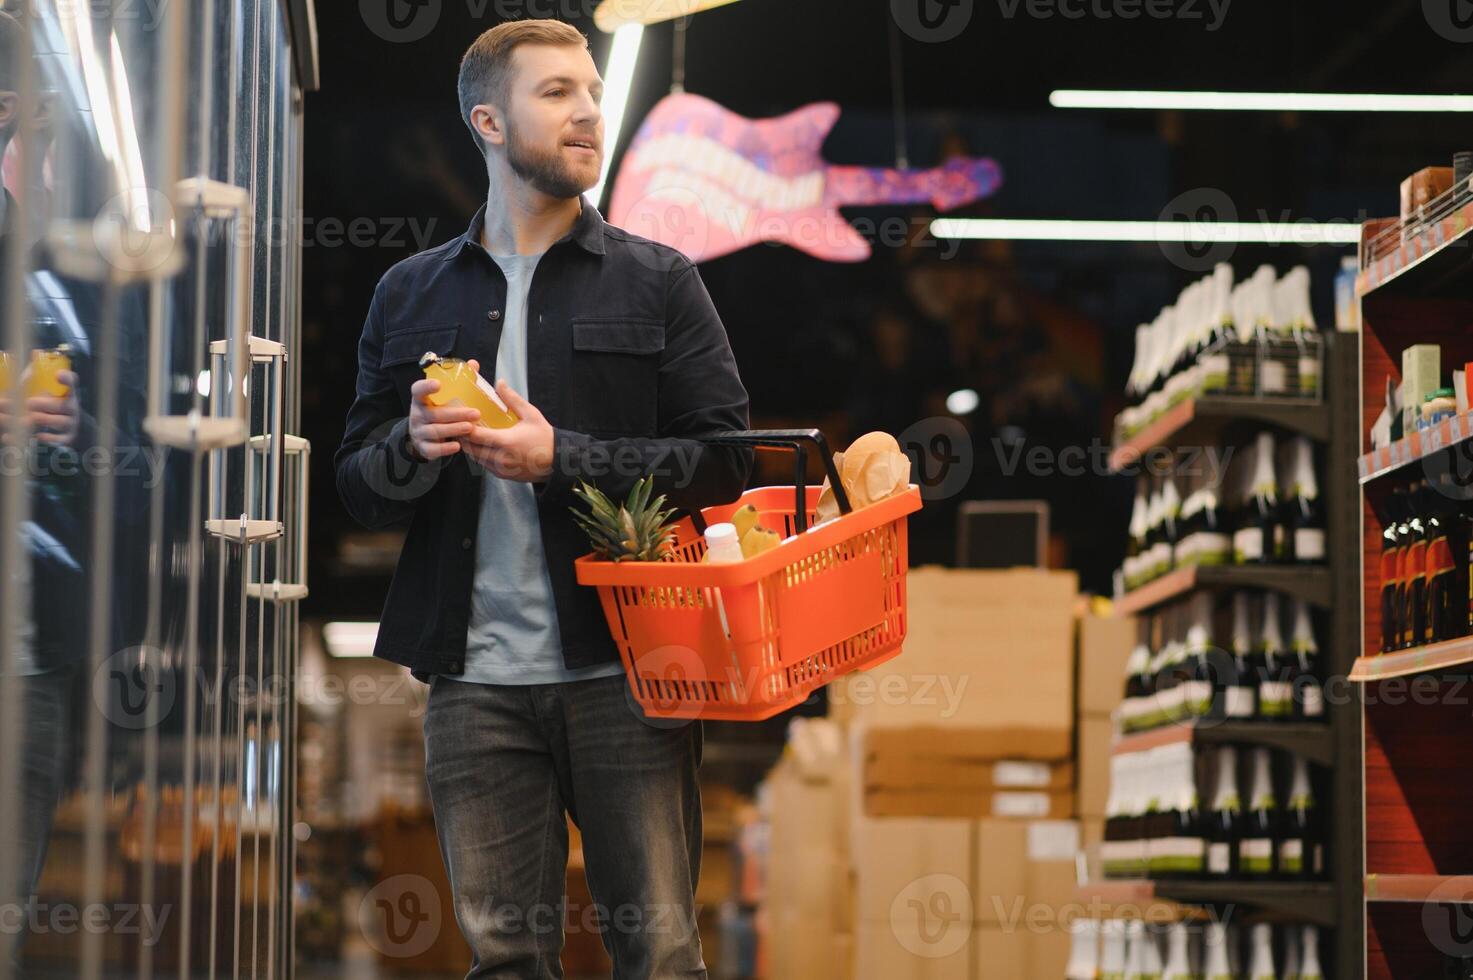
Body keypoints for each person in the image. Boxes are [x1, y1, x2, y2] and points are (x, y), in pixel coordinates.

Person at [334, 18, 751, 980]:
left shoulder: (660, 282)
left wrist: (563, 455)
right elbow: (358, 487)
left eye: (593, 91)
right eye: (557, 93)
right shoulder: (408, 294)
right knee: (505, 959)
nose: (589, 112)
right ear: (488, 120)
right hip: (471, 683)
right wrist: (414, 445)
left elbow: (726, 464)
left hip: (628, 672)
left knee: (658, 951)